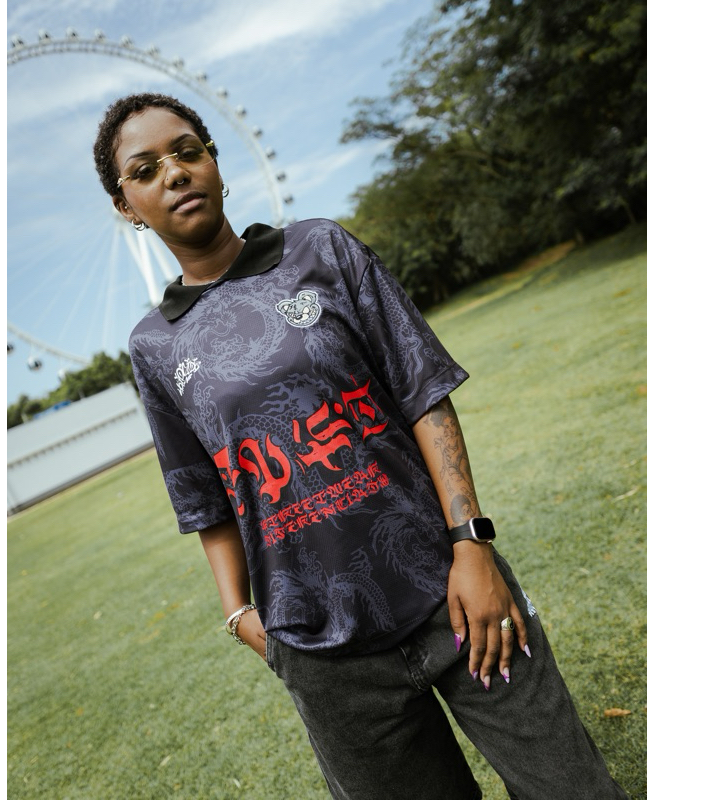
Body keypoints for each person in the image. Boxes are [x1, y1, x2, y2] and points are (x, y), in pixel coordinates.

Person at [93, 92, 628, 800]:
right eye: (146, 169)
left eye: (188, 152)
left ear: (215, 163)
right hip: (322, 651)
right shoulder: (154, 346)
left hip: (449, 590)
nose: (175, 173)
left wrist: (471, 546)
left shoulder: (320, 250)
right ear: (126, 205)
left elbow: (423, 392)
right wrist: (239, 614)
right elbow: (203, 496)